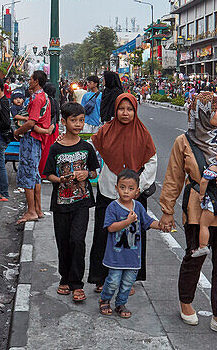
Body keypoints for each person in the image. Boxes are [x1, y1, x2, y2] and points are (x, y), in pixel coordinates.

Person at [158, 92, 217, 341]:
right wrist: (167, 211)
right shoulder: (184, 142)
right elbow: (173, 178)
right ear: (202, 113)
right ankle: (186, 303)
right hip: (198, 210)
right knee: (194, 257)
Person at [88, 92, 156, 291]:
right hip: (108, 192)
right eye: (121, 109)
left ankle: (129, 279)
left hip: (135, 197)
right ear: (115, 110)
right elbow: (91, 149)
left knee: (133, 239)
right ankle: (100, 278)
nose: (125, 113)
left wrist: (138, 188)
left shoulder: (143, 134)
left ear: (135, 111)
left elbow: (152, 162)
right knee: (103, 236)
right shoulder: (106, 130)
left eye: (129, 109)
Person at [43, 103, 99, 302]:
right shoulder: (56, 148)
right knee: (63, 241)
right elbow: (48, 174)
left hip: (82, 201)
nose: (78, 124)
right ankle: (64, 278)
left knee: (77, 240)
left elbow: (94, 171)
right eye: (73, 120)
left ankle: (77, 283)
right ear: (64, 122)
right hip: (60, 203)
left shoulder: (86, 147)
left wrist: (87, 174)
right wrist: (61, 180)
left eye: (81, 120)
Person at [99, 169, 163, 319]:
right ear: (116, 188)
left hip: (133, 256)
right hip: (115, 255)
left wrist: (160, 225)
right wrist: (127, 222)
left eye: (130, 188)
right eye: (122, 187)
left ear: (137, 191)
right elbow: (110, 227)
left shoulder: (138, 207)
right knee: (113, 281)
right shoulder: (113, 207)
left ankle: (121, 303)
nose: (126, 191)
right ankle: (105, 299)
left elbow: (147, 222)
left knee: (128, 283)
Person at [13, 70, 52, 224]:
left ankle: (31, 211)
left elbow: (31, 122)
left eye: (30, 79)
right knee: (34, 174)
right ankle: (38, 209)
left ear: (36, 81)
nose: (28, 81)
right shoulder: (44, 96)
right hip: (38, 138)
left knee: (28, 173)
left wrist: (17, 131)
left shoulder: (36, 98)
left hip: (31, 138)